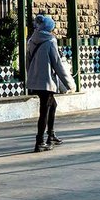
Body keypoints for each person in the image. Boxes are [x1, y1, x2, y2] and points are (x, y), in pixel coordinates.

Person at [25, 14, 75, 153]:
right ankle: (40, 141)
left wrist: (32, 76)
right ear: (49, 28)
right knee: (44, 111)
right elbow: (57, 64)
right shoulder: (50, 41)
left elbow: (27, 61)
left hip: (36, 80)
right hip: (46, 81)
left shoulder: (31, 40)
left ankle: (51, 135)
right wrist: (69, 83)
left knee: (52, 105)